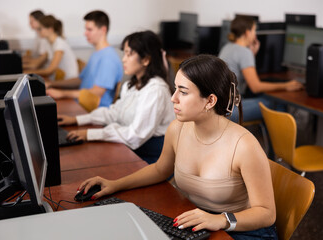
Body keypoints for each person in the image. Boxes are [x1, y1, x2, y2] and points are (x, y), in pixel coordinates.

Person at [75, 55, 278, 239]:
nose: (174, 98)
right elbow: (159, 169)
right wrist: (115, 184)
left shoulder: (244, 145)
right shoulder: (177, 129)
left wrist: (221, 220)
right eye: (175, 88)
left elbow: (267, 213)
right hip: (198, 221)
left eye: (183, 91)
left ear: (210, 101)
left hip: (241, 230)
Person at [58, 30, 175, 164]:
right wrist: (77, 120)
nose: (123, 59)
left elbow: (135, 135)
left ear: (146, 59)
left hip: (152, 158)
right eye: (124, 53)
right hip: (131, 148)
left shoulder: (155, 90)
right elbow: (114, 113)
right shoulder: (132, 85)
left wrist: (91, 134)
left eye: (129, 54)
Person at [219, 16, 303, 122]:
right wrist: (286, 85)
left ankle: (268, 137)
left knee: (268, 103)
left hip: (222, 107)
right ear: (247, 32)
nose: (255, 34)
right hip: (232, 110)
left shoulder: (228, 47)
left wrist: (252, 54)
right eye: (254, 30)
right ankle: (276, 138)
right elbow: (255, 87)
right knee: (277, 103)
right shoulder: (244, 53)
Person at [46, 10, 123, 108]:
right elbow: (80, 80)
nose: (85, 33)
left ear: (103, 30)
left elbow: (97, 92)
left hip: (91, 111)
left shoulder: (108, 58)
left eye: (89, 30)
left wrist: (63, 93)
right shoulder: (97, 53)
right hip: (80, 105)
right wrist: (52, 84)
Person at [24, 15, 78, 80]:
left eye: (40, 29)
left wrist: (29, 72)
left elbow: (50, 70)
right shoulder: (50, 44)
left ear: (50, 29)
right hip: (58, 78)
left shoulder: (59, 44)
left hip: (67, 81)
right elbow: (38, 62)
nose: (38, 31)